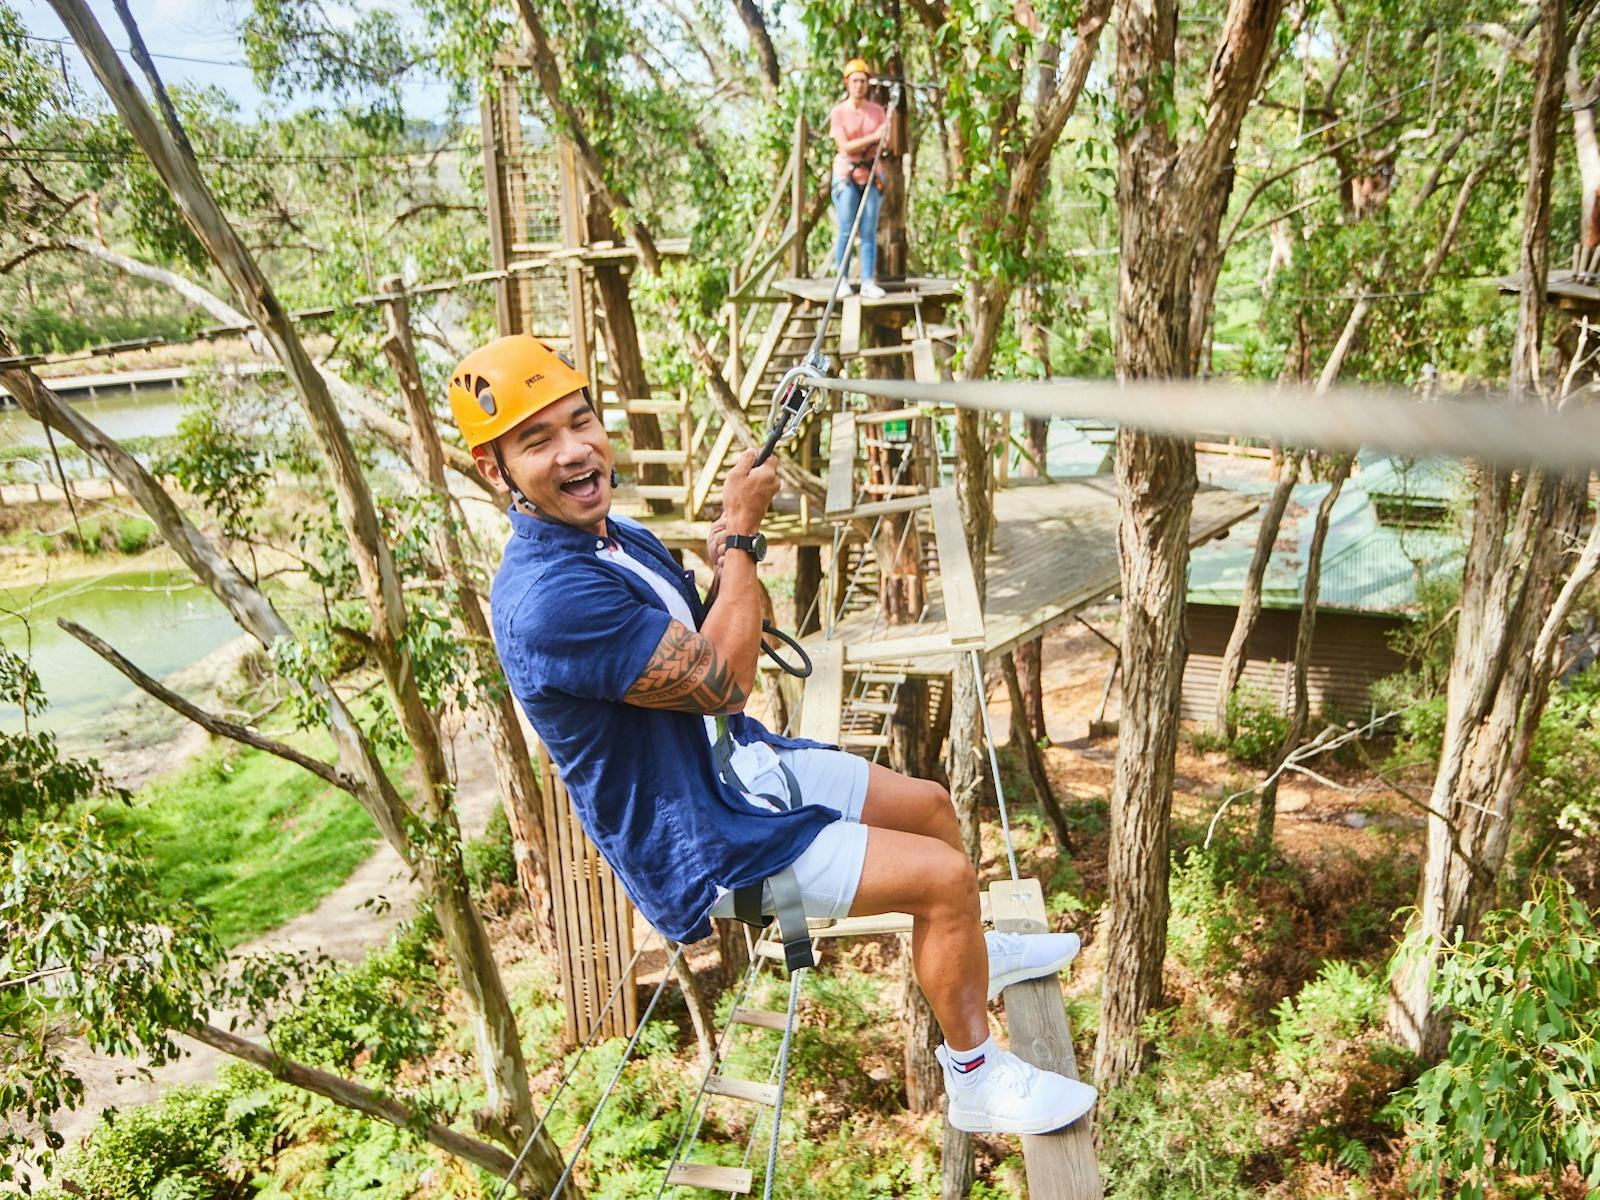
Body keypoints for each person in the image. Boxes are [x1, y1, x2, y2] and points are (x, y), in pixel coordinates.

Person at [452, 334, 1097, 1135]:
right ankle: (974, 1076)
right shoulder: (550, 598)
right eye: (537, 440)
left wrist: (728, 549)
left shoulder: (611, 537)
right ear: (494, 468)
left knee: (931, 807)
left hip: (734, 764)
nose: (576, 449)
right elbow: (722, 676)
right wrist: (741, 538)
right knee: (940, 879)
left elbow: (707, 625)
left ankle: (973, 958)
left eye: (581, 421)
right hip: (705, 836)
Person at [829, 58, 889, 300]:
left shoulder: (878, 112)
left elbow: (886, 142)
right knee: (846, 228)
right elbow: (844, 147)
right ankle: (841, 279)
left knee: (869, 230)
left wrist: (882, 136)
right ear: (847, 83)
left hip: (872, 174)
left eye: (863, 81)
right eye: (855, 81)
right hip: (847, 174)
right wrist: (873, 137)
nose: (859, 85)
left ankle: (867, 280)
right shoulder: (839, 113)